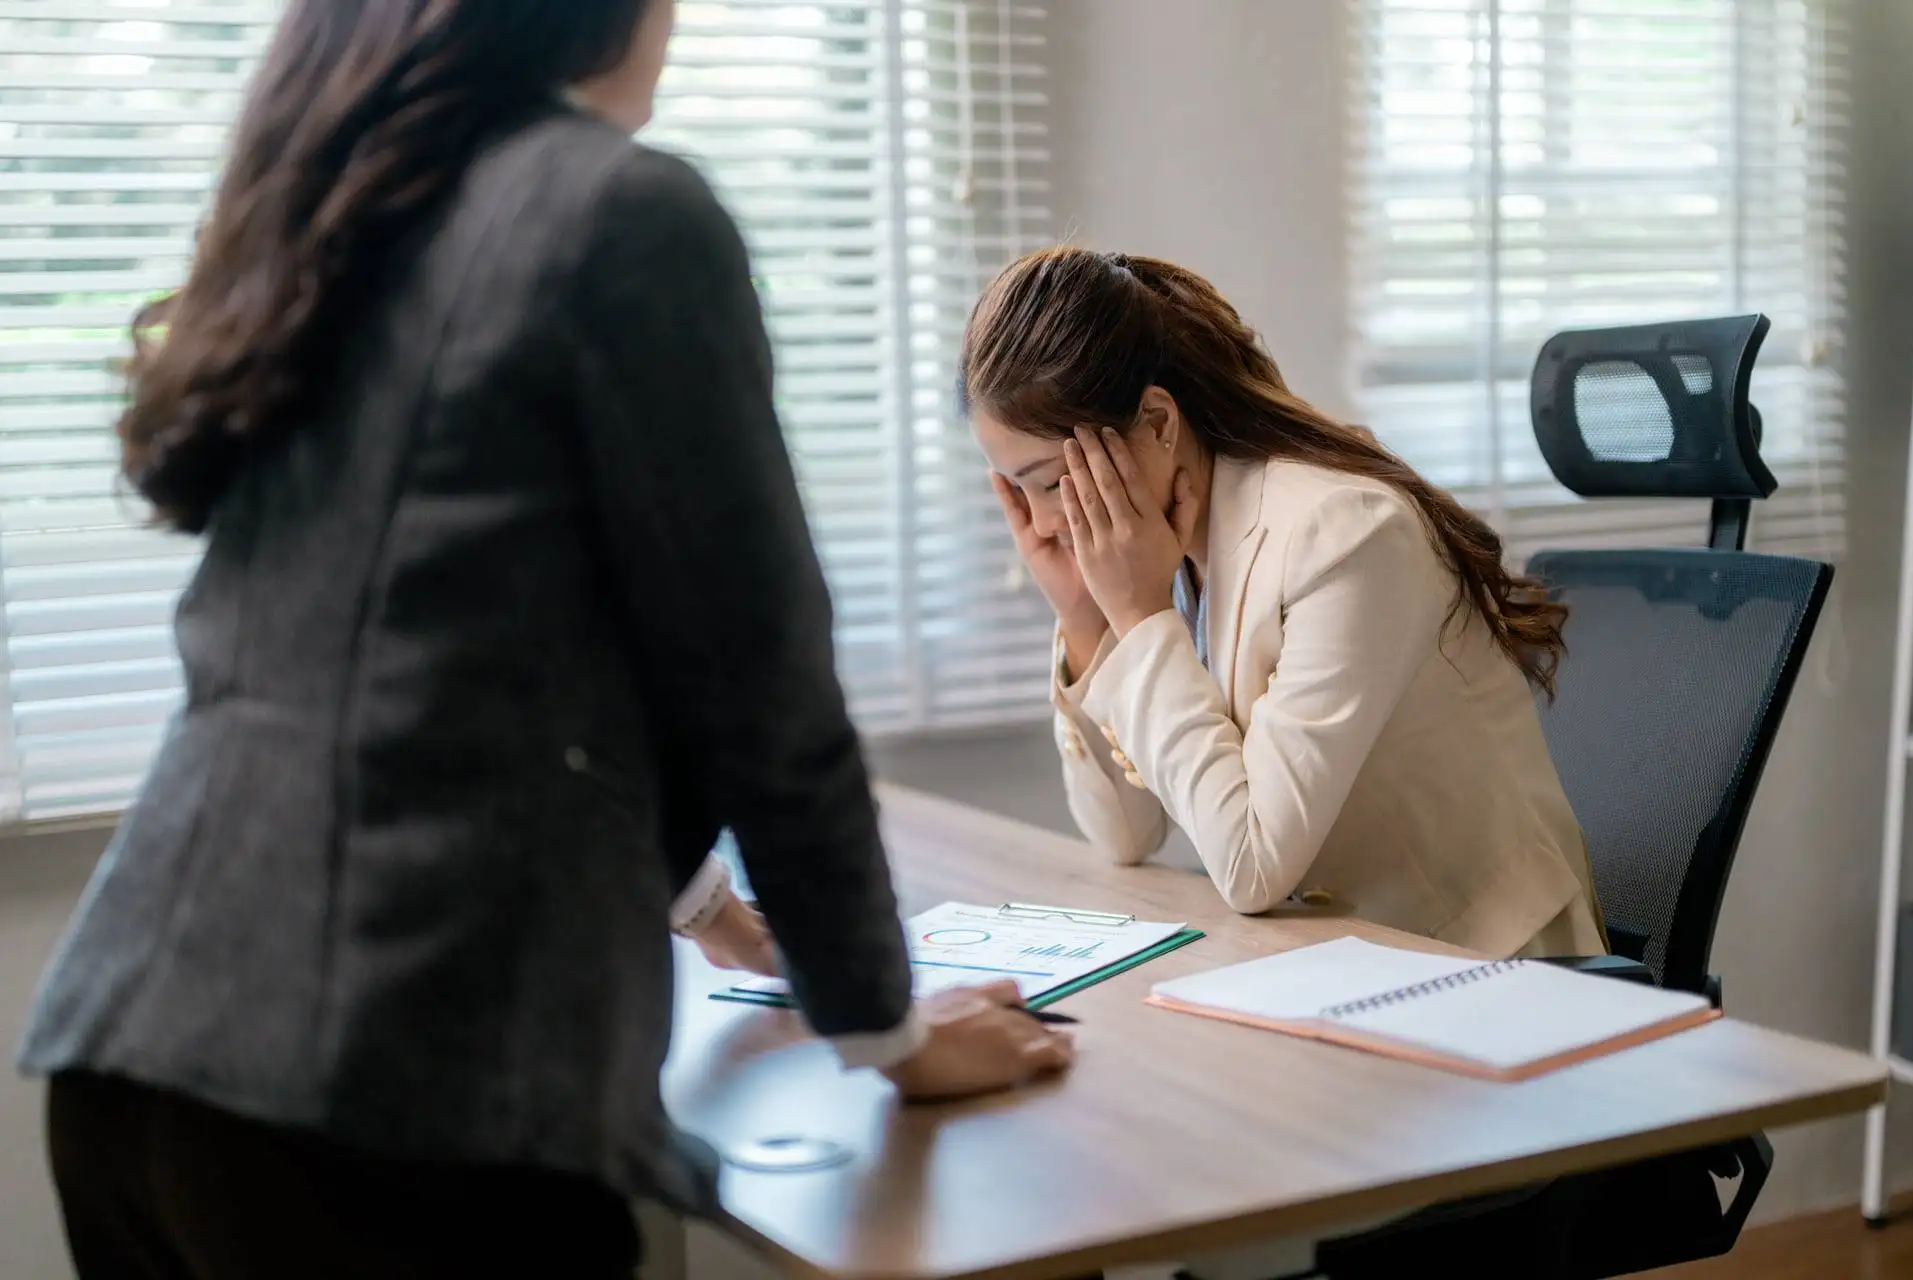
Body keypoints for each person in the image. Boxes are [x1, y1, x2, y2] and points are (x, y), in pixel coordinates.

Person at [15, 3, 1071, 1277]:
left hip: (136, 1051)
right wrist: (887, 1029)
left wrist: (718, 911)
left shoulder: (341, 211)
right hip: (392, 1091)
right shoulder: (624, 214)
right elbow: (761, 680)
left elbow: (452, 670)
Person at [961, 247, 1606, 960]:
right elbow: (1124, 833)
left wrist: (1141, 618)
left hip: (1488, 968)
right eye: (1016, 490)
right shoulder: (1164, 547)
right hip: (1334, 961)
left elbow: (1251, 865)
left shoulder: (1344, 534)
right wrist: (1088, 617)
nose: (1045, 522)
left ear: (1156, 423)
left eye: (1052, 482)